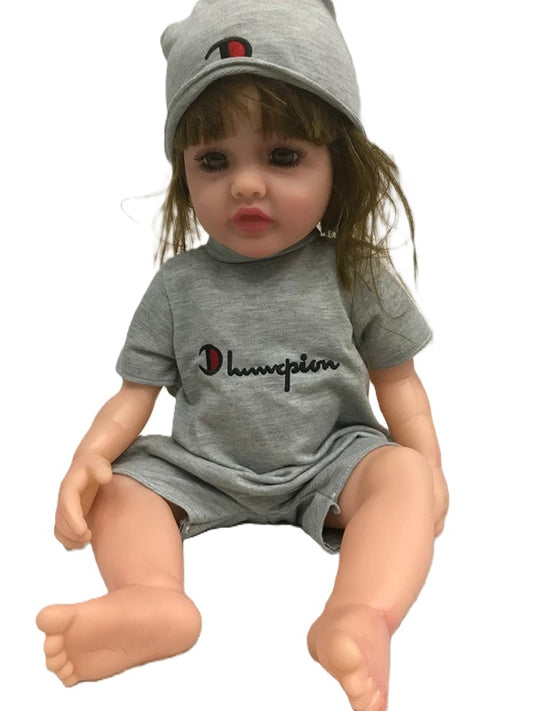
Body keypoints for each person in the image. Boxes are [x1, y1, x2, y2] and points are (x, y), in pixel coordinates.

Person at [36, 1, 449, 709]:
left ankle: (360, 614)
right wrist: (88, 459)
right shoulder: (178, 285)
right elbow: (134, 396)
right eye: (214, 160)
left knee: (401, 475)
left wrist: (428, 470)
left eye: (283, 156)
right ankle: (151, 598)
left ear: (339, 161)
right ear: (184, 171)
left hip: (332, 461)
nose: (247, 184)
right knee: (122, 486)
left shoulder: (355, 270)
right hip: (202, 466)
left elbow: (400, 384)